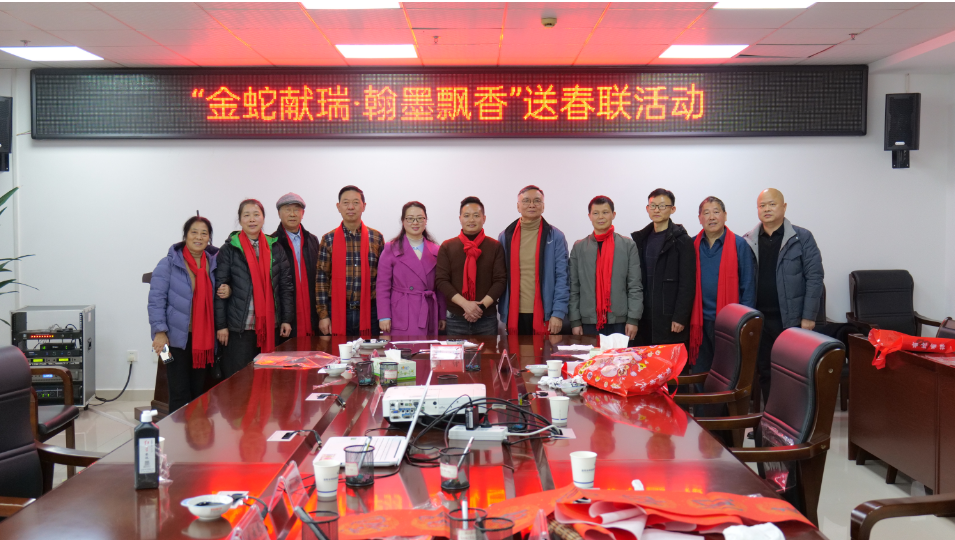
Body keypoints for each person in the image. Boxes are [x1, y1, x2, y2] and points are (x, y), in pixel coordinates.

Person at [743, 188, 824, 404]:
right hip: (759, 319)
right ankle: (771, 419)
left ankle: (793, 420)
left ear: (784, 207)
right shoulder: (748, 240)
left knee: (793, 372)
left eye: (772, 204)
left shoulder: (802, 238)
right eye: (762, 205)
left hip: (791, 320)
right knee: (765, 371)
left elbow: (815, 277)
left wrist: (808, 316)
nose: (767, 209)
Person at [148, 216, 227, 412]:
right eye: (194, 232)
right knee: (178, 391)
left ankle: (194, 428)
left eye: (204, 233)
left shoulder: (214, 264)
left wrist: (228, 290)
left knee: (198, 390)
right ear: (185, 235)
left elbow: (222, 290)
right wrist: (159, 332)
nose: (199, 237)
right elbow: (156, 300)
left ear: (209, 238)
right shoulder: (168, 263)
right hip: (172, 340)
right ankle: (177, 429)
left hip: (203, 339)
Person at [214, 199, 294, 378]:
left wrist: (286, 319)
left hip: (271, 325)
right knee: (240, 379)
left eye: (256, 215)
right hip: (240, 328)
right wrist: (221, 326)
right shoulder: (229, 249)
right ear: (240, 220)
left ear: (263, 218)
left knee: (269, 378)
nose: (252, 219)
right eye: (247, 215)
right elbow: (220, 289)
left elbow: (285, 287)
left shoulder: (275, 248)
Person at [689, 196, 757, 377]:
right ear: (700, 218)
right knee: (700, 371)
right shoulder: (691, 244)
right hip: (698, 322)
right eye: (706, 213)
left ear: (725, 215)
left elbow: (748, 286)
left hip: (729, 322)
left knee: (726, 372)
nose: (711, 217)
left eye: (716, 212)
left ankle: (723, 398)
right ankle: (703, 398)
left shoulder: (739, 245)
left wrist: (744, 322)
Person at [497, 185, 570, 335]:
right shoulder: (505, 236)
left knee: (543, 350)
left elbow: (563, 277)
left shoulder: (556, 236)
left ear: (543, 206)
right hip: (513, 312)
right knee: (515, 350)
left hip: (546, 313)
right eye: (526, 201)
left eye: (537, 201)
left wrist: (558, 313)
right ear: (518, 206)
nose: (531, 205)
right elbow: (500, 276)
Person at [569, 196, 642, 339]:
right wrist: (575, 321)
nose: (600, 217)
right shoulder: (579, 247)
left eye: (605, 212)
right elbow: (574, 287)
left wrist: (633, 319)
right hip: (588, 322)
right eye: (596, 213)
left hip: (620, 322)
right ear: (589, 216)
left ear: (613, 215)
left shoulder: (628, 245)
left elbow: (634, 286)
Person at [316, 185, 385, 338]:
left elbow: (383, 279)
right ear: (338, 206)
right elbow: (321, 279)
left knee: (369, 352)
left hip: (370, 312)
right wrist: (323, 315)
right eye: (346, 203)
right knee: (338, 352)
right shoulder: (328, 239)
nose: (351, 207)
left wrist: (384, 314)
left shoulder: (376, 238)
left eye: (355, 202)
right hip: (337, 310)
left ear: (364, 206)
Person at [631, 188, 695, 346]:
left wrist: (680, 317)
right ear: (647, 209)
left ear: (672, 209)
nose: (657, 210)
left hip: (669, 318)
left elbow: (687, 283)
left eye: (662, 206)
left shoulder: (682, 241)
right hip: (644, 316)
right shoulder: (640, 240)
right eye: (653, 206)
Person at [436, 196, 507, 336]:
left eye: (476, 215)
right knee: (456, 352)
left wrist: (479, 307)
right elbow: (441, 280)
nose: (471, 220)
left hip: (486, 317)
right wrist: (465, 304)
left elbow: (500, 280)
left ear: (484, 218)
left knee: (488, 352)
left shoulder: (495, 246)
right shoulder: (447, 246)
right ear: (460, 218)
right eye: (467, 215)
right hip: (455, 318)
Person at [376, 201, 447, 336]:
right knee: (402, 348)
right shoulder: (391, 248)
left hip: (428, 311)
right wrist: (384, 316)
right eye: (410, 218)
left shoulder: (437, 250)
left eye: (420, 218)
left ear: (426, 221)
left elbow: (440, 288)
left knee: (425, 348)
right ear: (403, 221)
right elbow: (382, 286)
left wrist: (442, 314)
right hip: (400, 312)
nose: (415, 222)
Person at [272, 193, 320, 342]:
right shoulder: (272, 242)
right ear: (279, 213)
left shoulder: (312, 240)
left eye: (296, 210)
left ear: (302, 213)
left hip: (311, 310)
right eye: (287, 210)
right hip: (285, 314)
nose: (292, 214)